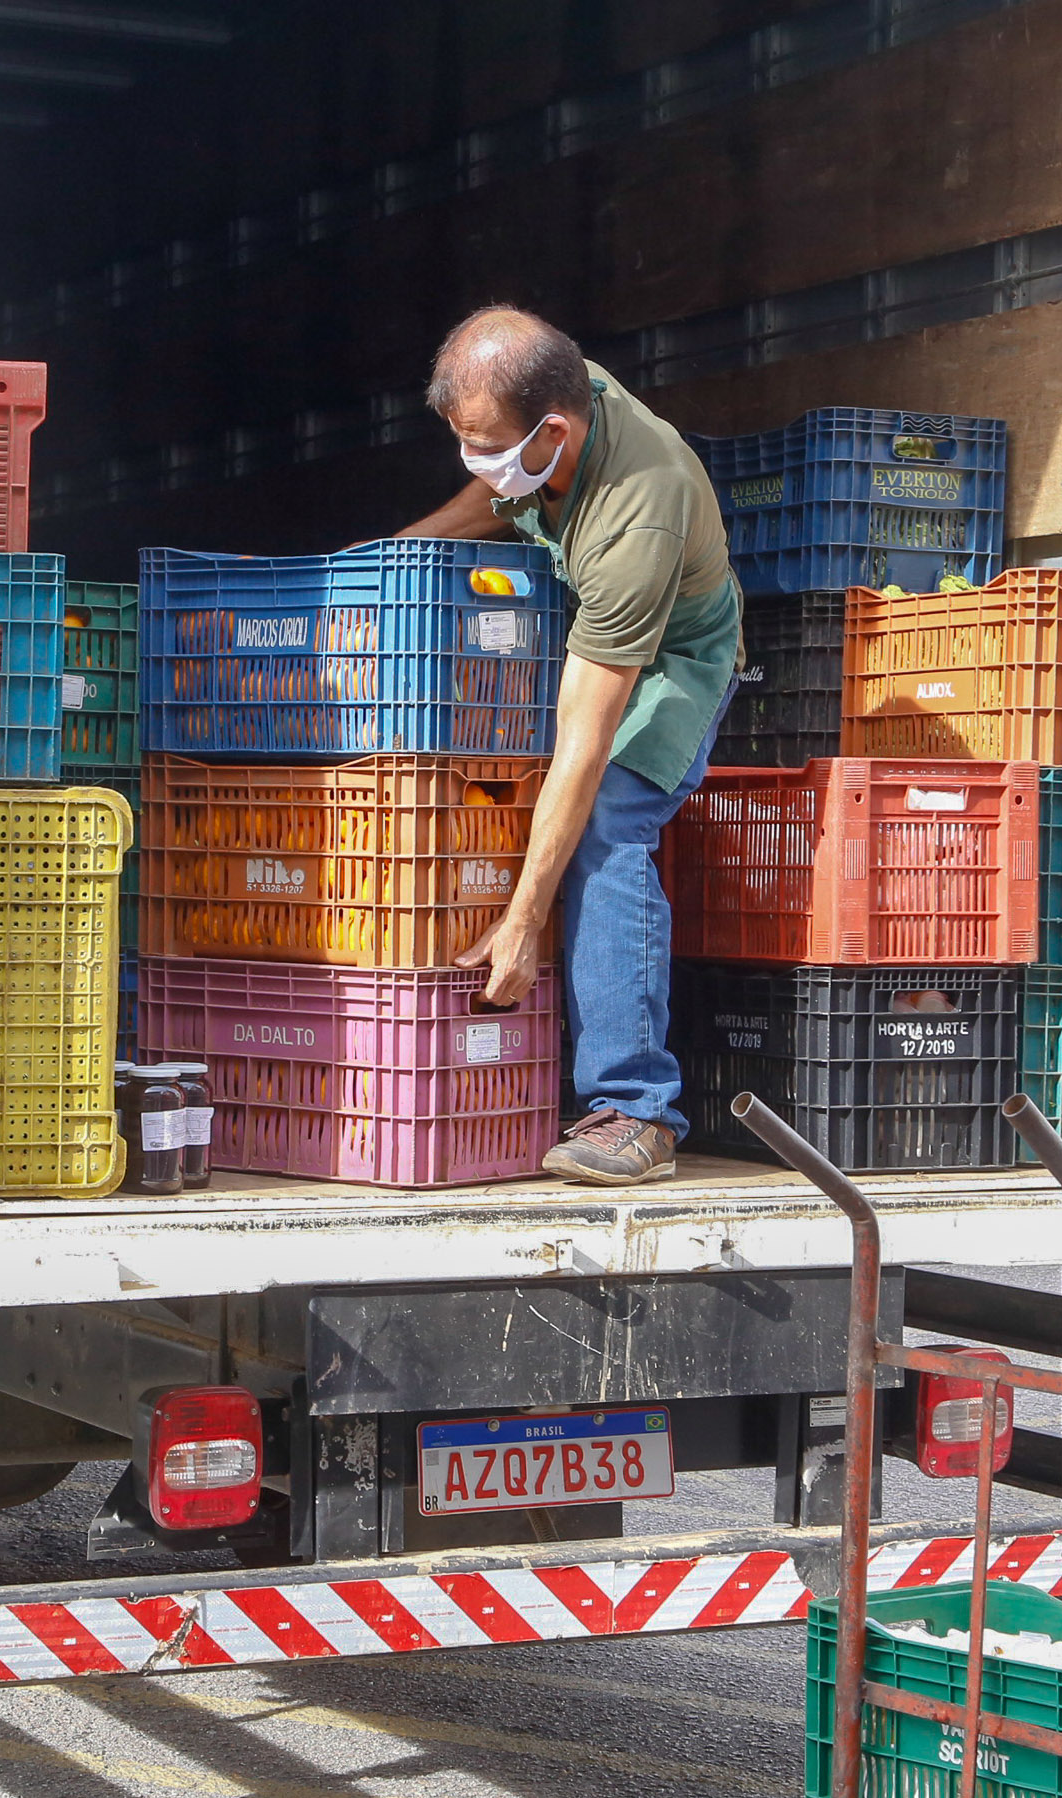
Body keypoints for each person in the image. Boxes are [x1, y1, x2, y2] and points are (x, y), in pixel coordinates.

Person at [400, 306, 741, 1187]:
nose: (476, 462)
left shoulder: (640, 514)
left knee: (603, 829)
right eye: (462, 441)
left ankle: (636, 1110)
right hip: (577, 620)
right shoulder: (551, 401)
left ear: (555, 430)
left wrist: (520, 923)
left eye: (486, 444)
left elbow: (584, 746)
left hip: (670, 662)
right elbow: (503, 488)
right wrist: (399, 553)